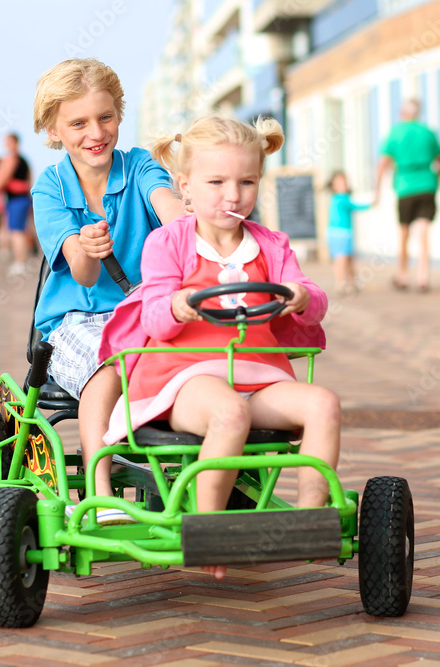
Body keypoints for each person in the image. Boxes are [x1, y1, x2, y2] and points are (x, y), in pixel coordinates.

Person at [100, 116, 340, 579]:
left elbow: (313, 300)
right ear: (185, 187)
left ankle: (310, 519)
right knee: (230, 412)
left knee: (323, 404)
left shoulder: (271, 245)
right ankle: (208, 526)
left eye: (246, 182)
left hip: (257, 374)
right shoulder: (168, 242)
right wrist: (178, 305)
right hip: (184, 379)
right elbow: (152, 316)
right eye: (217, 182)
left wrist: (303, 296)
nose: (233, 196)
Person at [31, 58, 182, 524]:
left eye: (105, 117)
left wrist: (194, 221)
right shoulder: (50, 187)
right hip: (77, 320)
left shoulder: (138, 165)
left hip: (146, 311)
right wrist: (88, 247)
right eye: (78, 123)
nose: (95, 132)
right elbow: (83, 275)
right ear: (53, 130)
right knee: (111, 366)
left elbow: (170, 208)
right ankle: (97, 496)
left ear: (119, 114)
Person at [374, 99, 440, 293]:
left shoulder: (395, 132)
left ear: (402, 113)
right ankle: (423, 277)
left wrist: (376, 190)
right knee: (423, 233)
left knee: (404, 233)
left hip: (405, 187)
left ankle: (403, 276)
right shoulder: (428, 132)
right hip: (427, 185)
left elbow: (383, 163)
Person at [0, 132, 33, 278]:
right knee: (19, 231)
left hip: (17, 201)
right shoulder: (24, 160)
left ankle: (20, 263)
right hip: (22, 199)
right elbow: (28, 180)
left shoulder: (12, 159)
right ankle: (21, 262)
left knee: (16, 232)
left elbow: (4, 178)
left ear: (13, 142)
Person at [327, 170, 371, 295]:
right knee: (341, 259)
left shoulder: (337, 198)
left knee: (348, 259)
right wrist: (371, 205)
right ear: (334, 186)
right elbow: (355, 206)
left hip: (342, 233)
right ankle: (341, 284)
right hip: (340, 233)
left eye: (344, 182)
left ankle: (352, 282)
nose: (343, 185)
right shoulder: (342, 199)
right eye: (339, 183)